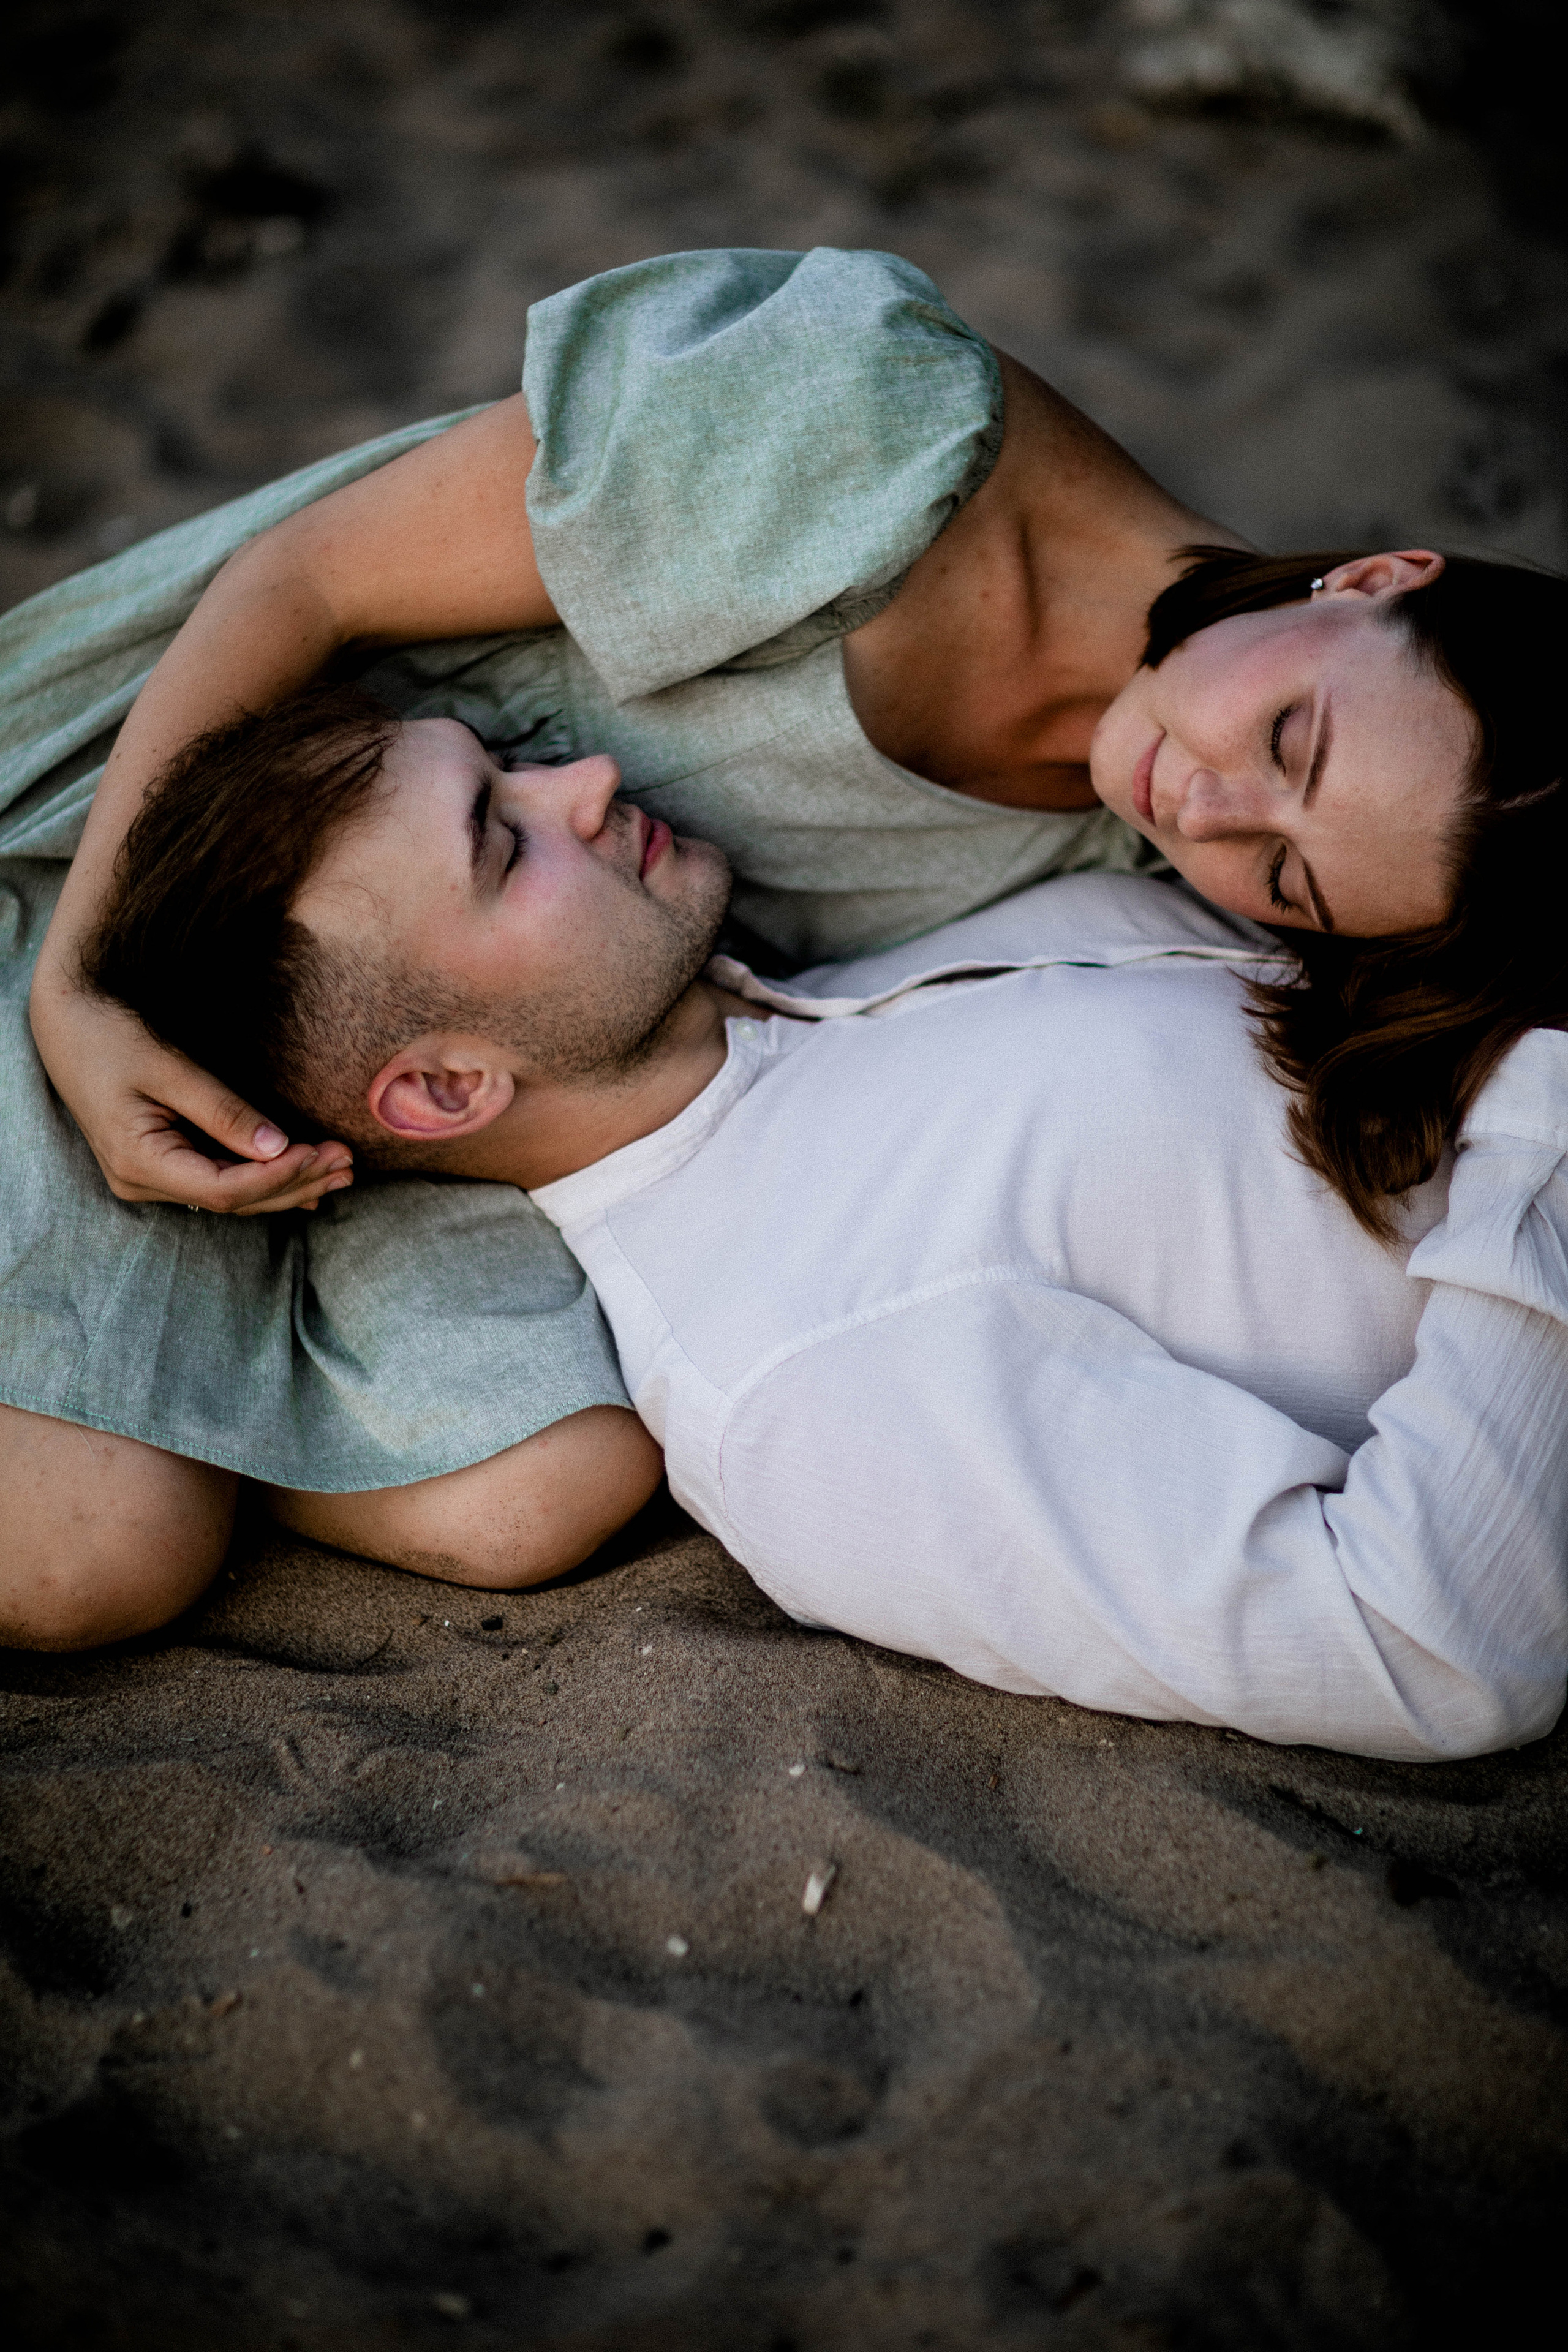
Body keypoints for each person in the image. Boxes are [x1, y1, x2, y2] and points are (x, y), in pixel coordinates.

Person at [3, 248, 1563, 1634]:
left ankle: (214, 1402)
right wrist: (85, 977)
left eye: (1280, 879)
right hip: (176, 831)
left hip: (485, 1051)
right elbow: (305, 577)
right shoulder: (860, 419)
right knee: (107, 1548)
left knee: (546, 1484)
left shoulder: (1138, 835)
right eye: (1286, 738)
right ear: (1372, 574)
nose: (1210, 808)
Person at [69, 693, 1568, 1758]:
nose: (581, 779)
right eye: (503, 845)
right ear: (447, 1085)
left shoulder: (852, 983)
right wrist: (1542, 1104)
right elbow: (1430, 1648)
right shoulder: (802, 1375)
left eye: (510, 770)